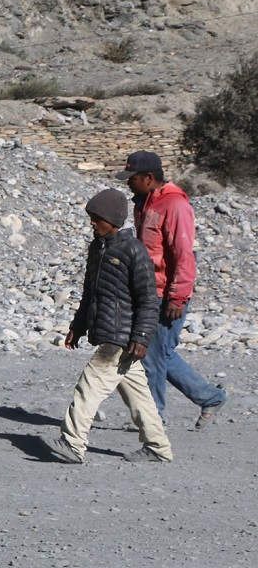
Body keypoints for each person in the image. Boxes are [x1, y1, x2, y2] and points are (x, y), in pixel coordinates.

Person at [45, 188, 173, 464]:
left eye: (96, 219)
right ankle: (158, 447)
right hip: (110, 333)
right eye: (90, 218)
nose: (92, 223)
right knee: (137, 394)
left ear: (113, 219)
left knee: (88, 386)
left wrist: (141, 336)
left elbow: (149, 300)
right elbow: (89, 292)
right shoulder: (98, 248)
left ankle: (73, 443)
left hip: (122, 338)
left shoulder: (133, 250)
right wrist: (77, 326)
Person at [116, 151, 227, 429]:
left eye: (133, 179)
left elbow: (183, 255)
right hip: (149, 291)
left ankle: (154, 419)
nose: (128, 184)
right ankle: (210, 397)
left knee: (152, 355)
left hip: (166, 294)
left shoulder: (174, 205)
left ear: (149, 178)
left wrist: (177, 296)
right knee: (161, 353)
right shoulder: (144, 204)